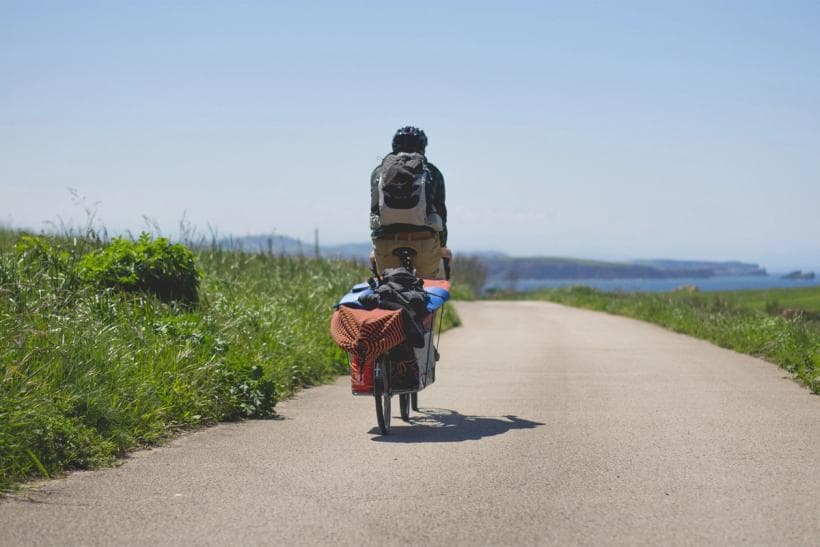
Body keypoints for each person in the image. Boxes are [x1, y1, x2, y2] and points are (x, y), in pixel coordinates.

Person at [370, 126, 450, 278]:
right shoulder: (432, 172)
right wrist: (442, 245)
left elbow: (374, 212)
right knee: (427, 284)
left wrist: (377, 242)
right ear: (423, 147)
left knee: (389, 285)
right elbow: (441, 213)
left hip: (386, 241)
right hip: (423, 241)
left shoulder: (379, 172)